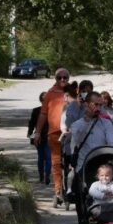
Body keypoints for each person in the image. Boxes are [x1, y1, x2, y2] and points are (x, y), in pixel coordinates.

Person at [32, 68, 71, 205]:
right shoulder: (50, 93)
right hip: (54, 134)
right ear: (55, 79)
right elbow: (43, 114)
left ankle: (70, 189)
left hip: (70, 135)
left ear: (68, 78)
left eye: (65, 77)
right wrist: (37, 132)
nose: (62, 80)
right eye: (59, 77)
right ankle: (57, 191)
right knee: (55, 163)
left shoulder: (73, 92)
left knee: (70, 163)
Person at [27, 92, 50, 184]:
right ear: (41, 100)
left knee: (47, 157)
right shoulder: (36, 111)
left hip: (49, 136)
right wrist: (30, 133)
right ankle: (41, 175)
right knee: (42, 157)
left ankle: (47, 175)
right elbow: (32, 123)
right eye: (43, 99)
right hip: (39, 136)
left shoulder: (53, 110)